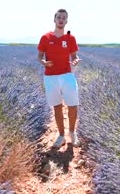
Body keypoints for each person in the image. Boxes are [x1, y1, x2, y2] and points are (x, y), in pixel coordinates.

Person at [37, 8, 81, 148]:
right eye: (59, 17)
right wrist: (44, 62)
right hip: (50, 77)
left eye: (63, 18)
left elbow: (74, 56)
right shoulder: (45, 37)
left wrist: (75, 61)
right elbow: (39, 56)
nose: (61, 20)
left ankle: (72, 133)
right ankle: (61, 136)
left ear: (66, 21)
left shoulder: (70, 38)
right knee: (57, 106)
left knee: (73, 105)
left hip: (67, 75)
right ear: (54, 20)